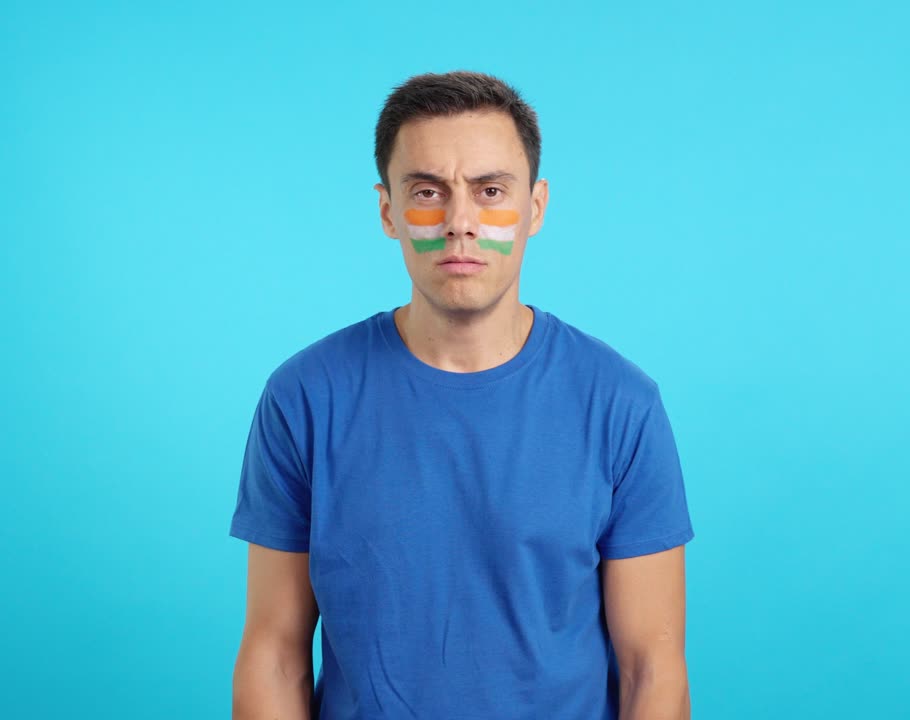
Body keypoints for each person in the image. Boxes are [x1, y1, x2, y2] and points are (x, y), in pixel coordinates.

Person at [227, 70, 695, 719]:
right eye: (428, 192)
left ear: (535, 206)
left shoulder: (621, 406)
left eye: (490, 191)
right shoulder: (304, 398)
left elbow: (654, 669)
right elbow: (274, 653)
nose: (460, 223)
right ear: (388, 211)